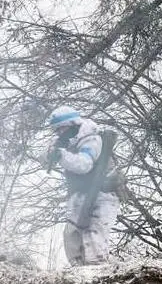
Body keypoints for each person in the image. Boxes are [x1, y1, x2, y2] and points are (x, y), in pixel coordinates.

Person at [46, 105, 120, 265]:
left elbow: (83, 165)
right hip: (80, 194)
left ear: (73, 124)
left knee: (93, 235)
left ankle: (98, 274)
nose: (59, 133)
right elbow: (47, 159)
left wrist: (61, 155)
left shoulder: (91, 139)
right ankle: (79, 274)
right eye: (56, 130)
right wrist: (51, 154)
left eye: (62, 129)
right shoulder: (66, 143)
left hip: (103, 195)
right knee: (72, 235)